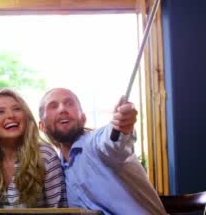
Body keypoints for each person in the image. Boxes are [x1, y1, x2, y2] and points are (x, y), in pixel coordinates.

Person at [38, 88, 166, 215]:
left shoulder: (95, 143)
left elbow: (113, 141)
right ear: (42, 126)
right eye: (53, 106)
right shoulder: (58, 171)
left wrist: (122, 126)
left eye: (69, 103)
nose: (62, 109)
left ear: (83, 118)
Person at [0, 88, 66, 208]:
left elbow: (59, 209)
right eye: (0, 112)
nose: (11, 115)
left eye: (17, 109)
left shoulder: (44, 155)